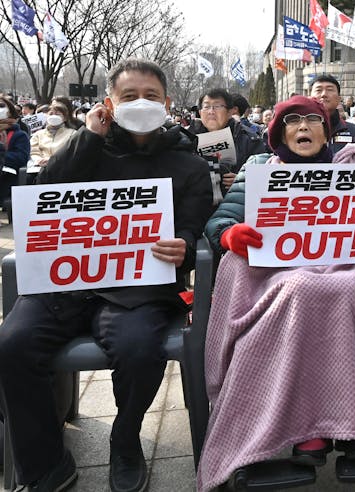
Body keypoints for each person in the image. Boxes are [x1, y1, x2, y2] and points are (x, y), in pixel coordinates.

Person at [0, 59, 213, 492]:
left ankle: (126, 437)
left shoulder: (187, 164)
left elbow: (194, 229)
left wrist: (184, 247)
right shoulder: (87, 147)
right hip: (65, 286)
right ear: (109, 103)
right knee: (12, 345)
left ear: (168, 103)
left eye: (151, 96)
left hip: (140, 288)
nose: (141, 103)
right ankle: (45, 462)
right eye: (128, 96)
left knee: (138, 350)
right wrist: (89, 137)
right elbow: (41, 196)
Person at [197, 95, 355, 491]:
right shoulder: (260, 169)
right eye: (293, 121)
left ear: (328, 130)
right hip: (276, 274)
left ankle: (351, 429)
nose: (304, 127)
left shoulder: (354, 167)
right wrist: (229, 233)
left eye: (313, 120)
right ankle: (311, 430)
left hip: (343, 268)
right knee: (302, 287)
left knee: (343, 291)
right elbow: (222, 218)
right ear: (279, 133)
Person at [190, 88, 266, 190]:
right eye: (206, 106)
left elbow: (262, 178)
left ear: (230, 112)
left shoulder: (250, 140)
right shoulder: (186, 139)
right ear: (200, 112)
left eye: (217, 106)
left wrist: (243, 181)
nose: (211, 111)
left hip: (236, 201)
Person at [310, 74, 355, 156]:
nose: (324, 94)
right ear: (309, 98)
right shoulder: (300, 131)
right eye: (318, 90)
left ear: (339, 99)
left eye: (330, 90)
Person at [29, 99, 77, 170]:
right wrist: (38, 160)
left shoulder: (73, 133)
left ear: (65, 118)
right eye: (51, 114)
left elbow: (72, 152)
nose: (54, 116)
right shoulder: (38, 134)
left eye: (57, 114)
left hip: (64, 169)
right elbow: (33, 151)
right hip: (41, 169)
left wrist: (53, 161)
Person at [0, 94, 31, 203]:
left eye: (1, 106)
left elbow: (21, 158)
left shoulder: (19, 135)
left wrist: (2, 153)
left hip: (6, 178)